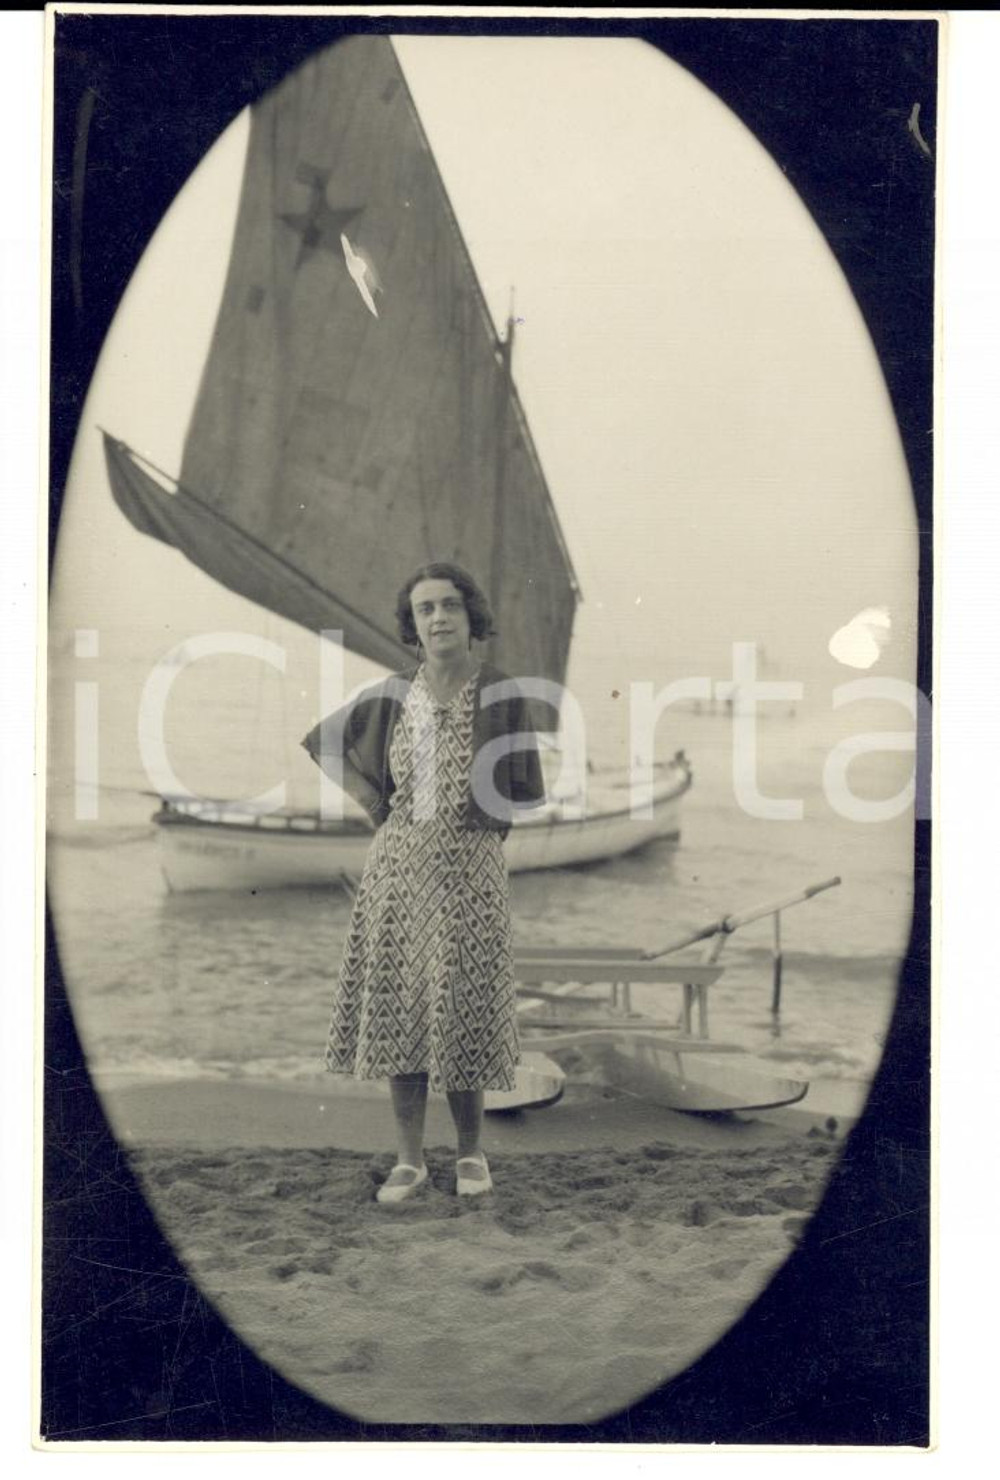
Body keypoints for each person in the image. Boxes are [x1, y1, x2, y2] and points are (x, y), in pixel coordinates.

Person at [301, 562, 548, 1204]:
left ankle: (471, 1156)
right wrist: (373, 806)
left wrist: (476, 843)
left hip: (473, 870)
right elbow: (325, 743)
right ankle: (409, 1160)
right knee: (399, 1014)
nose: (437, 618)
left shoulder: (503, 692)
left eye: (448, 607)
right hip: (397, 867)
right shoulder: (390, 694)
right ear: (412, 625)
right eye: (424, 610)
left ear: (472, 618)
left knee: (464, 1011)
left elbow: (520, 791)